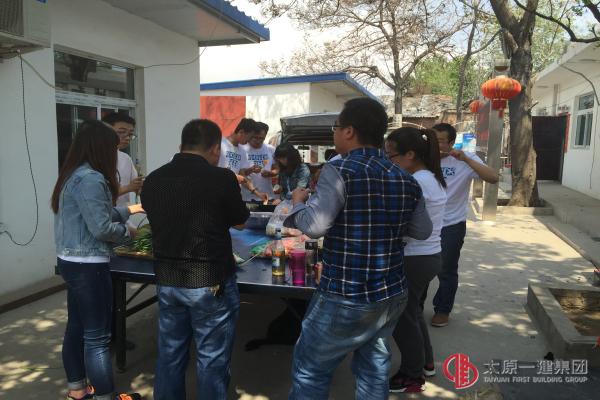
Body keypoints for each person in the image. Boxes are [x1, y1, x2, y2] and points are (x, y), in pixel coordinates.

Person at [283, 97, 433, 399]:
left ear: (349, 131)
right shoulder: (406, 178)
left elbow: (315, 226)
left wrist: (297, 204)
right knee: (373, 368)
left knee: (311, 370)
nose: (334, 133)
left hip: (346, 293)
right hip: (390, 293)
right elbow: (422, 230)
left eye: (336, 127)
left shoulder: (339, 169)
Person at [141, 119, 249, 400]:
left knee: (170, 354)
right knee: (211, 359)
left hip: (167, 279)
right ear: (215, 149)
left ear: (181, 145)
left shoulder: (153, 179)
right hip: (210, 281)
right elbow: (240, 222)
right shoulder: (221, 178)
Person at [51, 120, 144, 400]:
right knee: (97, 337)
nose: (115, 154)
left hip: (72, 261)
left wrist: (131, 210)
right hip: (89, 266)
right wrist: (127, 233)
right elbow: (102, 228)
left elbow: (97, 213)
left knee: (76, 328)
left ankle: (78, 391)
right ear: (100, 148)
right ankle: (105, 396)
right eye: (112, 148)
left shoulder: (73, 174)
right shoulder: (91, 179)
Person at [385, 127, 447, 393]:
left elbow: (399, 221)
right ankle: (426, 363)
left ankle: (412, 375)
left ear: (410, 154)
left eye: (391, 155)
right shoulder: (429, 177)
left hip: (414, 258)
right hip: (428, 256)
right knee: (413, 314)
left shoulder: (416, 182)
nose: (389, 161)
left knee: (402, 319)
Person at [430, 123, 499, 327]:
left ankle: (443, 309)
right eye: (432, 141)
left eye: (440, 141)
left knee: (446, 269)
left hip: (451, 224)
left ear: (451, 142)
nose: (435, 146)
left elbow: (493, 177)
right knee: (420, 268)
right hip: (425, 224)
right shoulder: (422, 158)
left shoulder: (464, 159)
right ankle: (415, 307)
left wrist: (466, 159)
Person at [219, 117, 268, 202]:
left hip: (232, 195)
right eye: (250, 137)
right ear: (241, 132)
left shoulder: (242, 150)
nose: (249, 140)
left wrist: (257, 193)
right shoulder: (220, 144)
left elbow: (242, 175)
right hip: (217, 193)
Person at [101, 113, 143, 208]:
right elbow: (98, 194)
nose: (127, 138)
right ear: (105, 131)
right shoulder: (94, 158)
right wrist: (128, 188)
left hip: (120, 213)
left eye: (130, 134)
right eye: (121, 132)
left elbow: (136, 187)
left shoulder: (125, 158)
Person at [242, 121, 276, 201]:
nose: (258, 141)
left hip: (268, 196)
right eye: (255, 138)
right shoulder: (242, 149)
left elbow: (277, 169)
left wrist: (270, 173)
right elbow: (240, 174)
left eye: (261, 138)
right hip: (247, 197)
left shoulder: (270, 149)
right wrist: (250, 170)